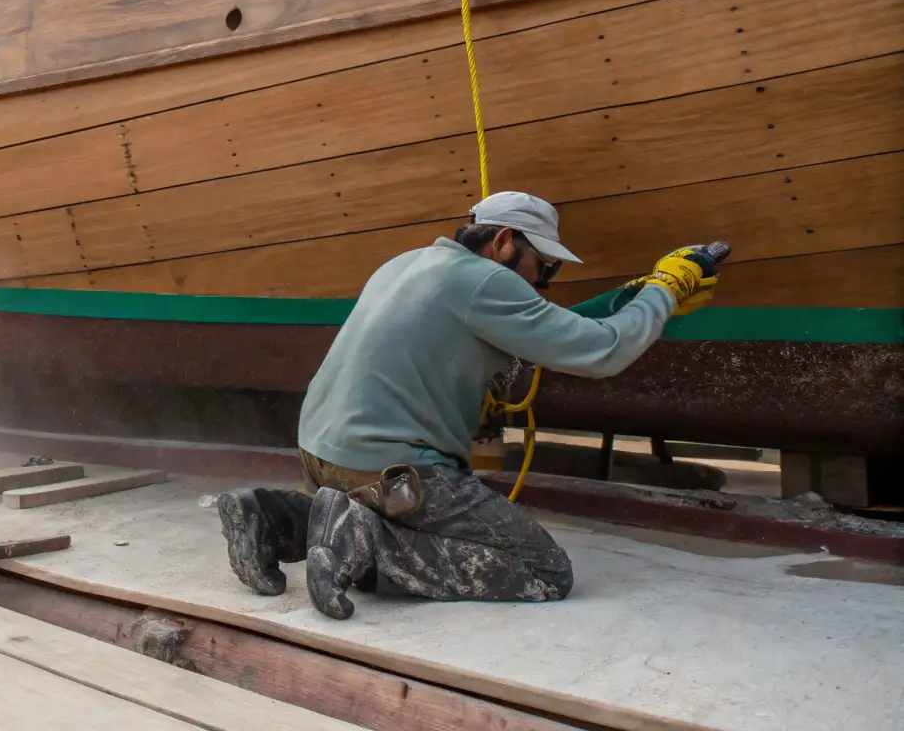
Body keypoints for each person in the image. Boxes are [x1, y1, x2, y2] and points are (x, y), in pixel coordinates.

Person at [217, 191, 720, 619]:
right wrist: (665, 291)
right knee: (545, 572)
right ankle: (360, 541)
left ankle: (275, 517)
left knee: (408, 521)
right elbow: (603, 351)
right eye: (543, 267)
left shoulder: (407, 263)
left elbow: (541, 329)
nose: (541, 282)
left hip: (322, 456)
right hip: (392, 470)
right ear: (503, 241)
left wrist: (629, 299)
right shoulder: (486, 282)